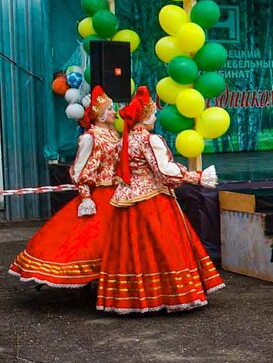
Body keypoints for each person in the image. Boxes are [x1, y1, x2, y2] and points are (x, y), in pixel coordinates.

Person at [95, 86, 222, 314]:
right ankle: (169, 295)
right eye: (152, 114)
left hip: (126, 200)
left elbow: (117, 169)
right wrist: (196, 177)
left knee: (130, 250)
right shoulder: (149, 140)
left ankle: (131, 298)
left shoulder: (123, 140)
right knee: (165, 247)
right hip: (153, 200)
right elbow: (163, 171)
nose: (155, 118)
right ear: (143, 119)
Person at [10, 87, 120, 289]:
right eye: (110, 109)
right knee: (86, 239)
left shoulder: (113, 134)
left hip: (116, 192)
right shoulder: (91, 137)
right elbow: (79, 170)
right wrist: (86, 196)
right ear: (100, 113)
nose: (114, 112)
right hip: (99, 194)